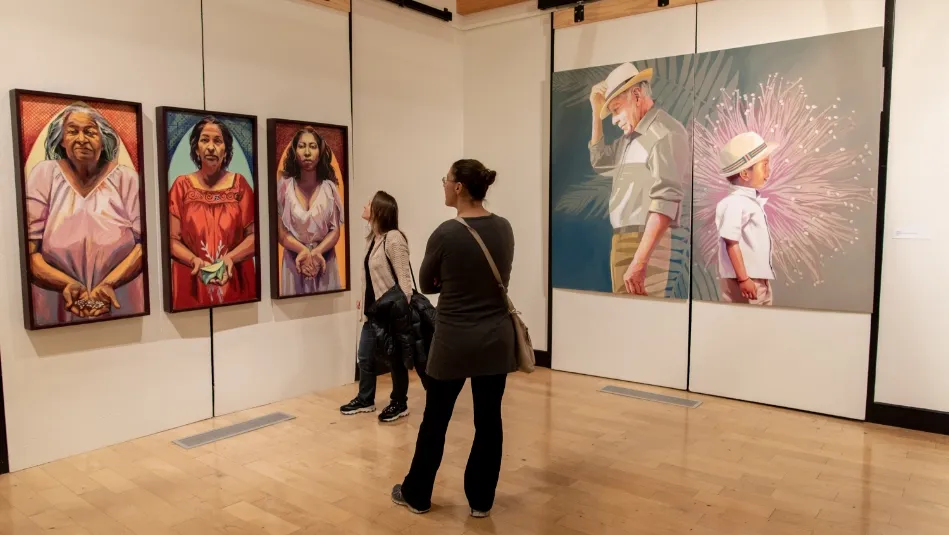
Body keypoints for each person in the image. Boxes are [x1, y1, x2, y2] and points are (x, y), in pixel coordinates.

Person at [392, 159, 516, 518]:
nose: (444, 185)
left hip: (454, 341)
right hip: (496, 339)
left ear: (459, 186)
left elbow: (427, 283)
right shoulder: (504, 227)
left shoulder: (446, 233)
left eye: (446, 179)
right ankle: (481, 501)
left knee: (436, 418)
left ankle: (417, 493)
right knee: (489, 420)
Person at [25, 103, 145, 326]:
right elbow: (29, 252)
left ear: (103, 139)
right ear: (61, 139)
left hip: (121, 297)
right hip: (55, 301)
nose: (81, 139)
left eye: (90, 132)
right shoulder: (44, 175)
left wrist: (109, 283)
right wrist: (67, 285)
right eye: (72, 131)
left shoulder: (126, 179)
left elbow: (144, 246)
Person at [589, 62, 690, 296]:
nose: (613, 120)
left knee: (642, 321)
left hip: (646, 243)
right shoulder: (629, 138)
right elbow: (600, 162)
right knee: (625, 319)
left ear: (636, 95)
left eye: (615, 109)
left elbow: (666, 200)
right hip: (623, 240)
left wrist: (640, 261)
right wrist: (596, 113)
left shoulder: (665, 131)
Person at [339, 191, 416, 423]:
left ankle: (399, 402)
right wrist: (363, 298)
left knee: (395, 359)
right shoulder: (373, 238)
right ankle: (365, 399)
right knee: (364, 356)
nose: (365, 205)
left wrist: (400, 313)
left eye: (369, 203)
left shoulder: (394, 238)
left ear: (379, 210)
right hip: (373, 312)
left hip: (390, 312)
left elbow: (405, 283)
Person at [168, 116, 257, 309]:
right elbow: (171, 240)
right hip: (191, 282)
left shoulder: (240, 185)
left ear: (226, 150)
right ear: (196, 149)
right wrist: (194, 261)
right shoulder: (180, 186)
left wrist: (229, 259)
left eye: (217, 141)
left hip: (236, 279)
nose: (210, 147)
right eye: (204, 140)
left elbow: (255, 237)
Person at [276, 126, 344, 296]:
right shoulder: (284, 186)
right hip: (294, 261)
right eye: (302, 146)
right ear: (294, 150)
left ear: (320, 152)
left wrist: (317, 252)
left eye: (312, 147)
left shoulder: (329, 188)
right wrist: (303, 252)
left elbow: (335, 231)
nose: (307, 152)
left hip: (325, 260)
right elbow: (281, 232)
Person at [715, 132, 778, 305]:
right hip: (745, 279)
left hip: (756, 277)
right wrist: (743, 279)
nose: (768, 171)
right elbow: (731, 242)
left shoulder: (747, 201)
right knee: (749, 323)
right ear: (744, 174)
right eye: (764, 165)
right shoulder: (735, 203)